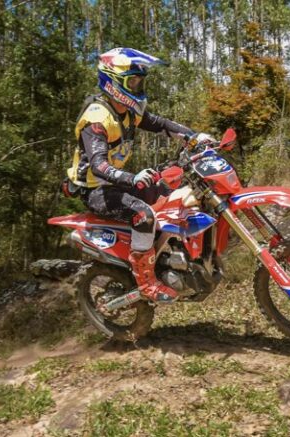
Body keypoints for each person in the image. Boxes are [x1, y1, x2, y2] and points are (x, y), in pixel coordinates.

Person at [67, 47, 214, 304]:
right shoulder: (97, 119)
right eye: (132, 82)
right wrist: (132, 178)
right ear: (113, 82)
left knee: (174, 196)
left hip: (118, 182)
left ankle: (171, 259)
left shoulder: (128, 111)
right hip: (96, 189)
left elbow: (160, 124)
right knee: (143, 215)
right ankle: (147, 283)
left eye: (139, 81)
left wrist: (194, 137)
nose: (137, 86)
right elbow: (98, 165)